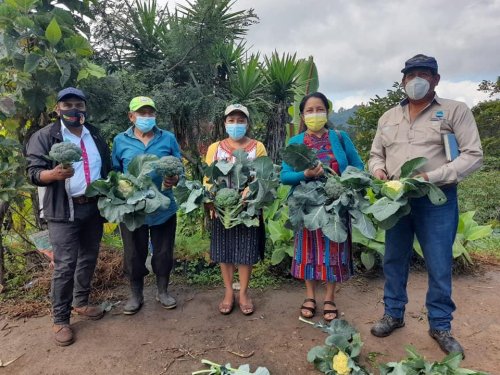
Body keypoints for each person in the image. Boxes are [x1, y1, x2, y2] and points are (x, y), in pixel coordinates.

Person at [368, 54, 483, 357]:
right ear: (403, 80)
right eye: (411, 75)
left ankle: (440, 325)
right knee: (393, 259)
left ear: (435, 79)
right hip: (396, 201)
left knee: (439, 262)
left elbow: (473, 155)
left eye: (424, 74)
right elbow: (375, 154)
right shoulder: (388, 117)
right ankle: (393, 314)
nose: (416, 80)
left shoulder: (455, 111)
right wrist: (378, 171)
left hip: (437, 200)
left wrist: (430, 176)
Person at [25, 87, 111, 346]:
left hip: (92, 206)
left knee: (88, 257)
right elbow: (32, 173)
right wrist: (52, 175)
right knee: (64, 264)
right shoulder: (46, 136)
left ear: (85, 108)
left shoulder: (93, 133)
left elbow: (105, 167)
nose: (73, 110)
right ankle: (60, 319)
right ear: (57, 108)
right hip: (63, 208)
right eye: (67, 105)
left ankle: (81, 302)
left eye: (78, 105)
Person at [280, 92, 364, 321]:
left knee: (334, 250)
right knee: (308, 251)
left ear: (327, 112)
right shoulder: (295, 142)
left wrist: (342, 180)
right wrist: (304, 174)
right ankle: (309, 296)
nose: (315, 114)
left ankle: (329, 298)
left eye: (319, 109)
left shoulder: (340, 137)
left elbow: (358, 167)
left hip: (336, 206)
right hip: (307, 205)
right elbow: (284, 176)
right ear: (302, 115)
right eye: (309, 110)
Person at [112, 96, 182, 315]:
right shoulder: (120, 141)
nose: (147, 117)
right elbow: (114, 171)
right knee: (133, 253)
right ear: (131, 116)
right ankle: (136, 295)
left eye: (150, 113)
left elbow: (179, 167)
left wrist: (175, 179)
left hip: (163, 207)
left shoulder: (168, 138)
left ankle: (162, 291)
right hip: (133, 210)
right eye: (142, 113)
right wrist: (123, 188)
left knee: (163, 252)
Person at [205, 104, 267, 315]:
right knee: (225, 252)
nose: (236, 124)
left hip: (248, 208)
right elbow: (208, 178)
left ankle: (244, 293)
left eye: (241, 120)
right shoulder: (215, 148)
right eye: (231, 120)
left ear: (247, 123)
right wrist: (212, 198)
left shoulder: (257, 147)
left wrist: (251, 189)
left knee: (246, 252)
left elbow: (263, 174)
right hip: (223, 210)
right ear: (225, 123)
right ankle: (228, 292)